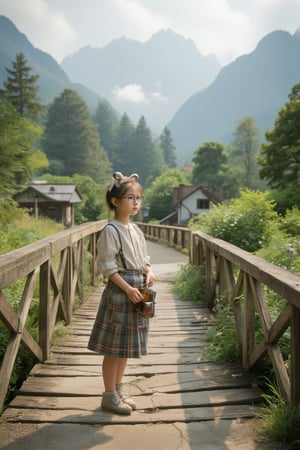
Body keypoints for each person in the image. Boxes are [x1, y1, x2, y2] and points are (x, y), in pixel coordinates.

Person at [88, 172, 155, 415]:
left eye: (139, 198)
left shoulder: (135, 229)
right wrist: (127, 289)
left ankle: (118, 390)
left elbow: (144, 258)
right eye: (130, 197)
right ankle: (108, 395)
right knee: (113, 348)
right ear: (115, 201)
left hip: (138, 288)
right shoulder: (111, 230)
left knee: (125, 347)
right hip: (121, 290)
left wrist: (149, 271)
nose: (136, 202)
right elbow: (106, 266)